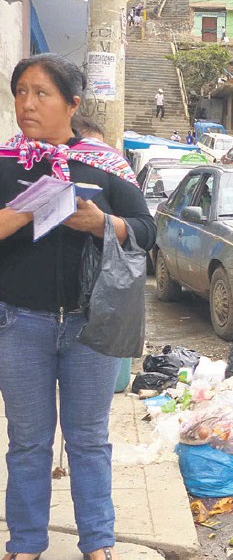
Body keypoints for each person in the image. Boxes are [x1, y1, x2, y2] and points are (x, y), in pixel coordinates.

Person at [0, 53, 155, 560]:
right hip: (19, 323)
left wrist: (102, 225)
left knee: (89, 441)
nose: (27, 103)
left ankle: (98, 544)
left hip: (92, 324)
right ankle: (25, 543)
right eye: (20, 92)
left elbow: (146, 231)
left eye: (40, 93)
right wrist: (22, 212)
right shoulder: (5, 162)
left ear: (72, 103)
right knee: (27, 442)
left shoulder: (106, 164)